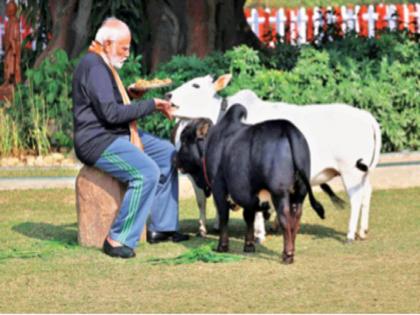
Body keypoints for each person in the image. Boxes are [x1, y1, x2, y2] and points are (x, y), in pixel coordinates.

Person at [72, 17, 189, 259]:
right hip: (98, 141)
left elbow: (109, 102)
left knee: (167, 153)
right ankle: (117, 239)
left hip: (117, 132)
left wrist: (130, 93)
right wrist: (151, 105)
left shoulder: (103, 64)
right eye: (123, 48)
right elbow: (111, 113)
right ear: (106, 43)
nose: (127, 53)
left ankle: (162, 227)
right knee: (146, 172)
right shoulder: (93, 66)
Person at [2, 0, 21, 86]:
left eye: (8, 9)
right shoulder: (9, 22)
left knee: (11, 66)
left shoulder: (14, 22)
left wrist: (13, 48)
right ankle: (8, 81)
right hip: (8, 48)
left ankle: (11, 81)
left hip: (12, 49)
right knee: (7, 65)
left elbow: (14, 36)